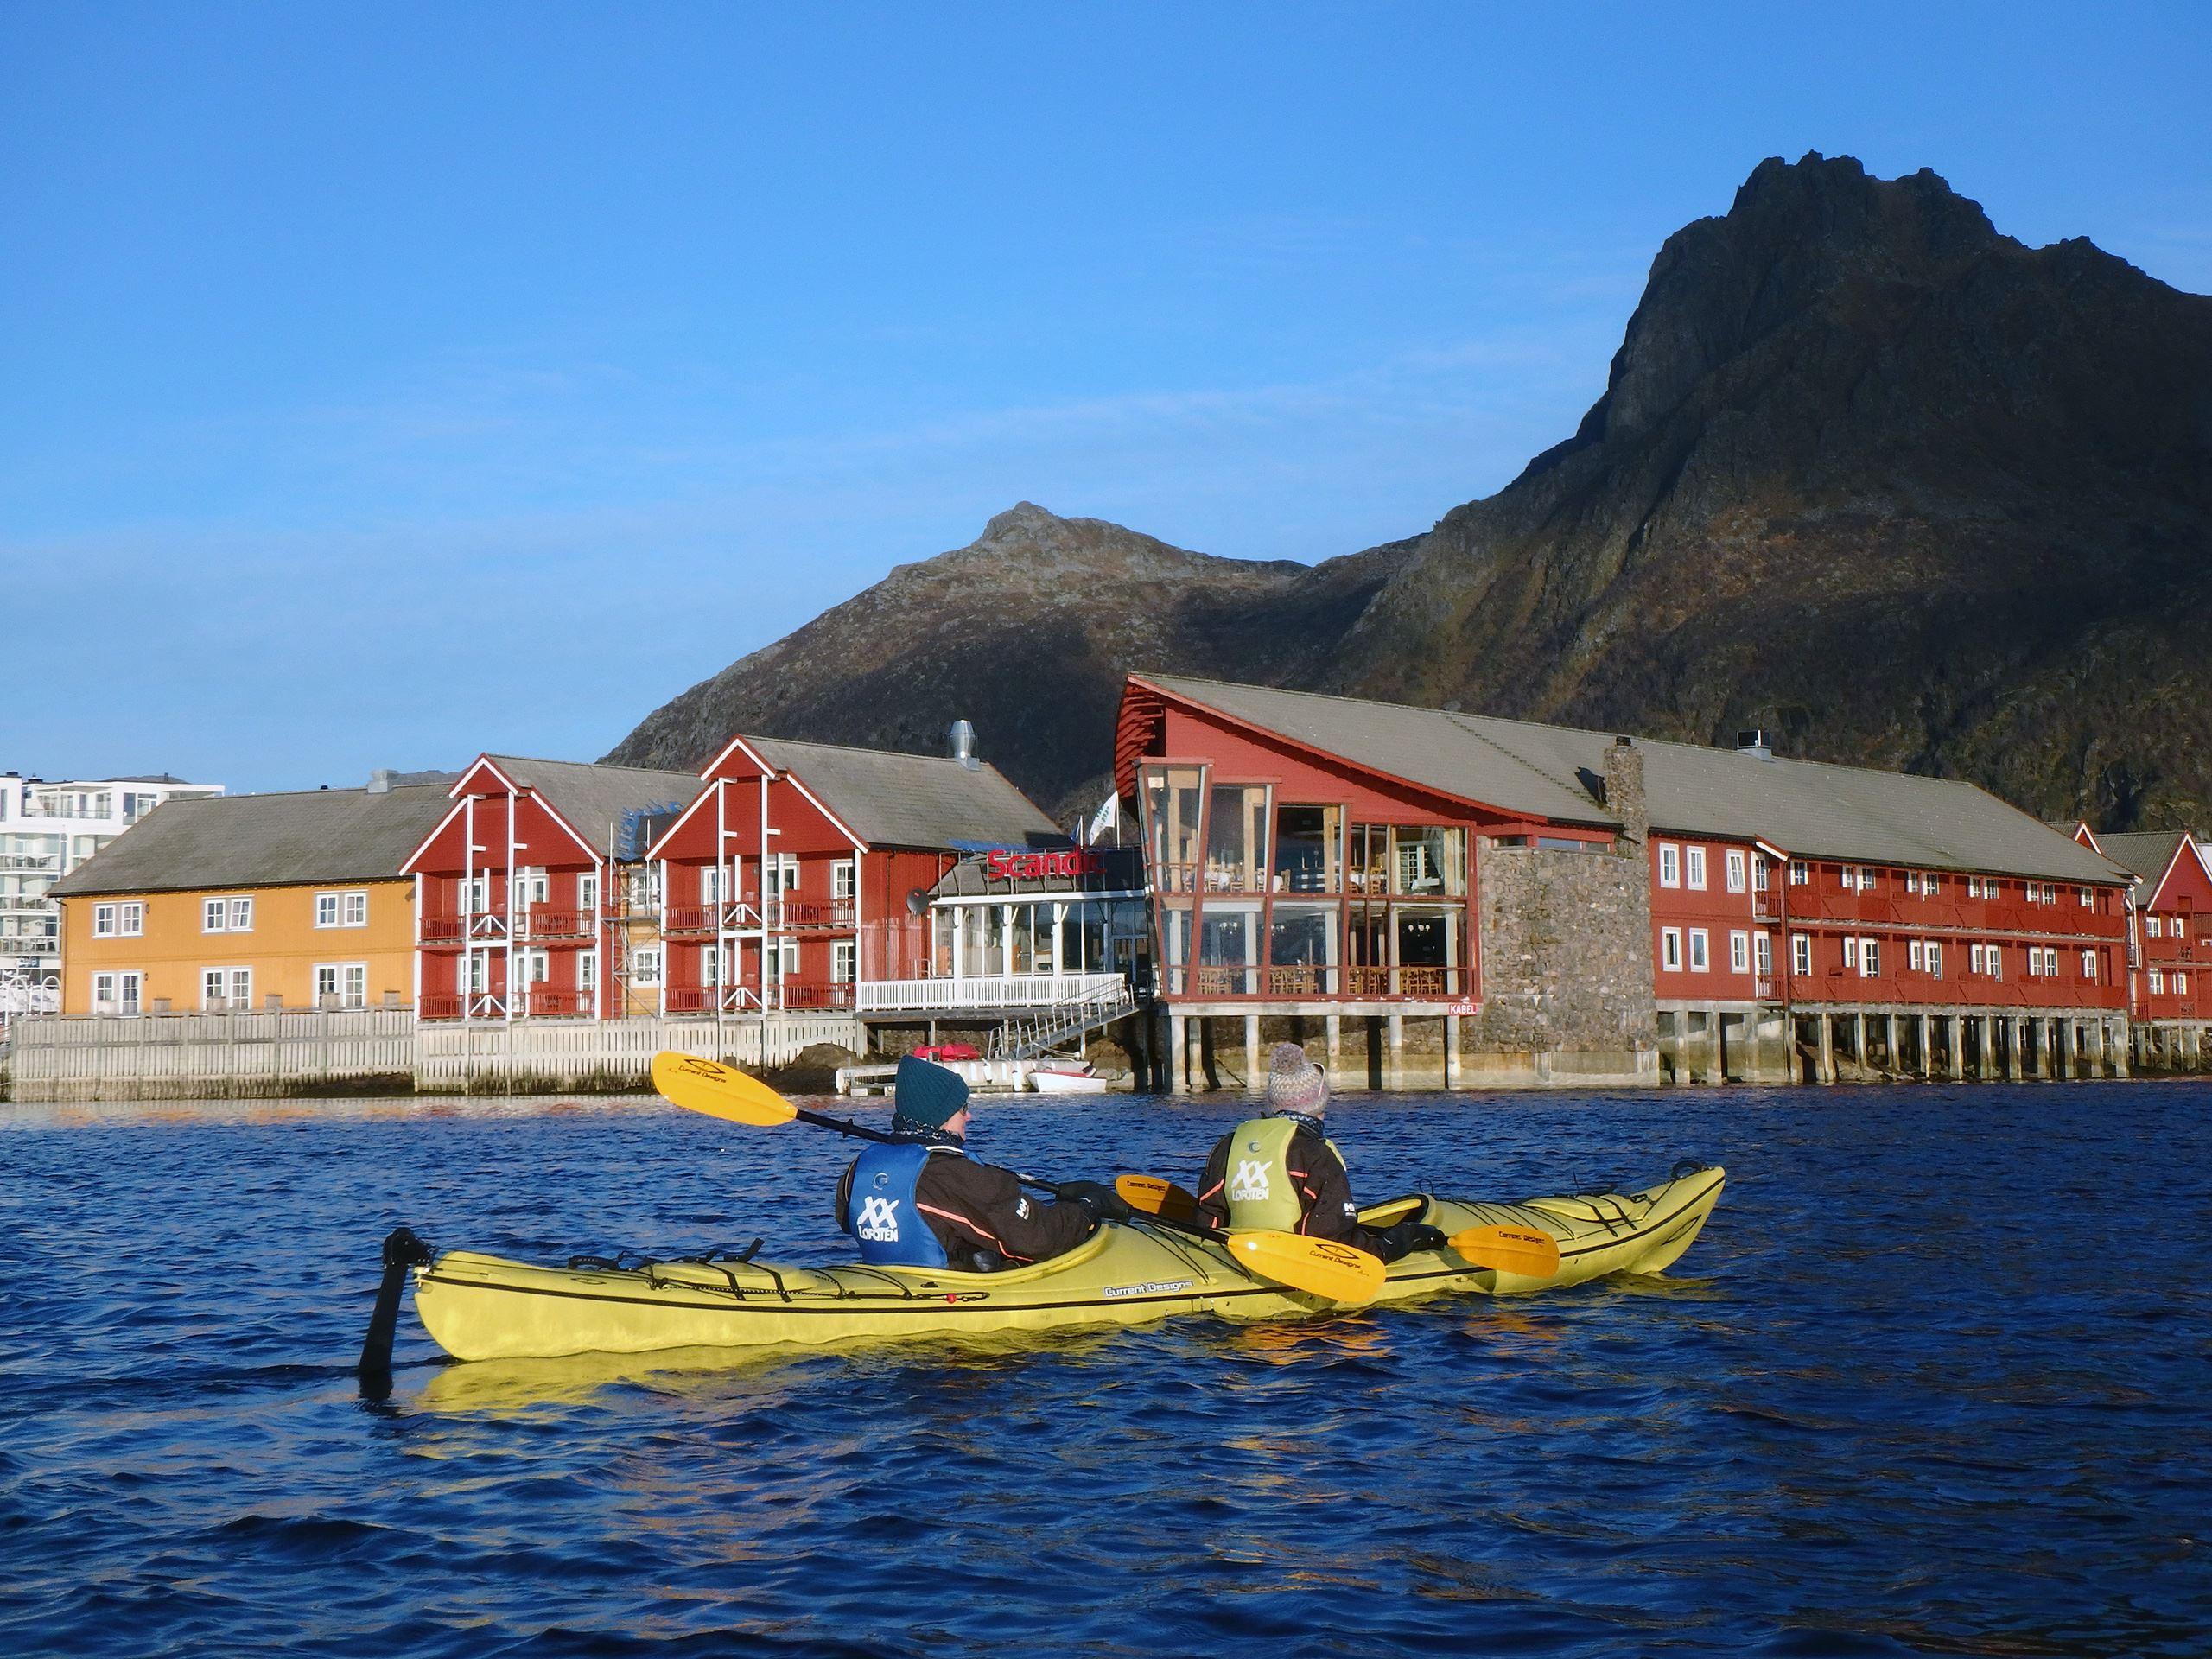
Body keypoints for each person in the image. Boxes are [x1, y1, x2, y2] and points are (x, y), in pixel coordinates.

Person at [836, 1054, 1129, 1271]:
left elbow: (845, 1220)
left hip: (888, 1276)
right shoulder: (961, 1176)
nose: (969, 1116)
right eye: (962, 1108)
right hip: (950, 1298)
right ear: (937, 1116)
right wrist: (1086, 1208)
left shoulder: (860, 1166)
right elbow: (1039, 1239)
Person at [1193, 1043, 1446, 1262]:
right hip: (1292, 1261)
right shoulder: (1318, 1154)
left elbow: (1208, 1217)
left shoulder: (1228, 1145)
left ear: (1273, 1103)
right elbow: (1330, 1239)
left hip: (1233, 1256)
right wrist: (1400, 1240)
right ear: (1319, 1106)